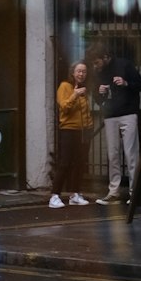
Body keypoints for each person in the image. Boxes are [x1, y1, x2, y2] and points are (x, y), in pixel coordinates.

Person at [92, 45, 141, 204]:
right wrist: (99, 92)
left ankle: (134, 192)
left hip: (128, 113)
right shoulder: (98, 72)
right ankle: (113, 191)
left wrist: (125, 83)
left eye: (97, 62)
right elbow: (96, 98)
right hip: (110, 116)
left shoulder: (125, 65)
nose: (96, 66)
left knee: (131, 154)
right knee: (112, 154)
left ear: (105, 57)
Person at [50, 59, 91, 208]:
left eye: (84, 71)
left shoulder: (82, 88)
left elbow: (85, 112)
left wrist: (89, 126)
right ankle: (54, 196)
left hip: (82, 131)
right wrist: (74, 95)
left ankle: (74, 194)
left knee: (79, 164)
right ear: (72, 72)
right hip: (68, 129)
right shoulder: (65, 86)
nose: (81, 74)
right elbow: (64, 107)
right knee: (65, 163)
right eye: (79, 71)